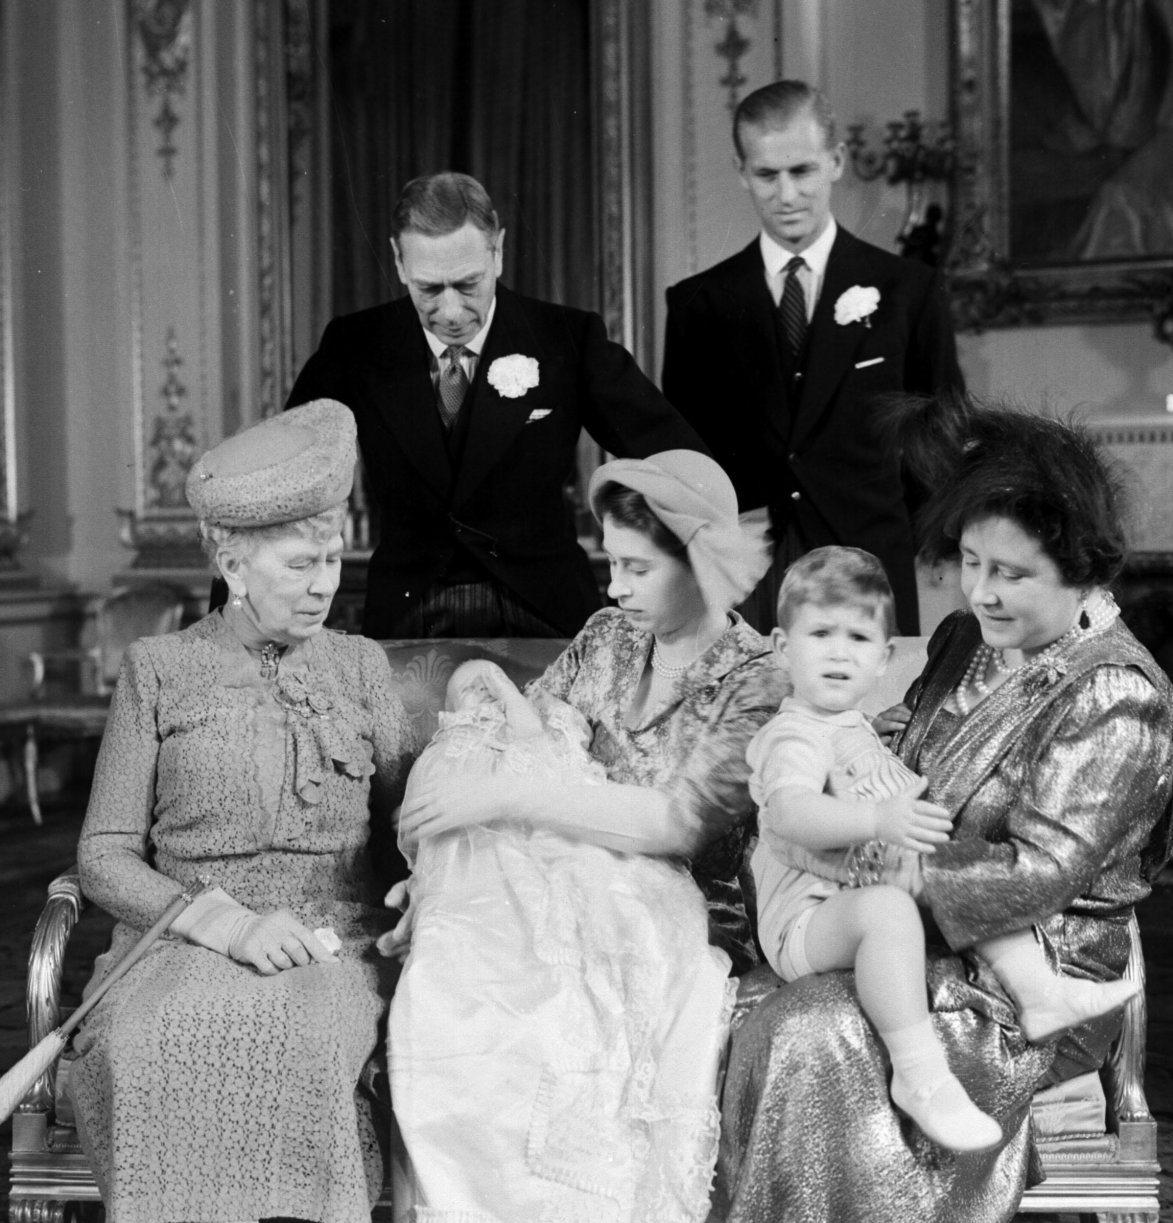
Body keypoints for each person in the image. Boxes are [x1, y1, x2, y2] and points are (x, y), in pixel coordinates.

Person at [714, 394, 1173, 1223]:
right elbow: (905, 746)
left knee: (812, 1034)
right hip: (907, 920)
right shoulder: (968, 638)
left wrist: (901, 861)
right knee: (750, 1004)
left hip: (1040, 967)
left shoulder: (1114, 694)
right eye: (971, 562)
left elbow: (1040, 874)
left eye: (1011, 574)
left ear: (1082, 566)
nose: (981, 591)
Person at [392, 449, 792, 1207]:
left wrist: (499, 797)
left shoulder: (759, 677)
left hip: (682, 916)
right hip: (558, 888)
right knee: (456, 985)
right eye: (611, 563)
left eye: (638, 569)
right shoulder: (608, 635)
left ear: (702, 562)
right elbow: (527, 739)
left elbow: (679, 822)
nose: (616, 587)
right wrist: (442, 880)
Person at [69, 400, 418, 1223]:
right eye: (300, 564)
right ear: (233, 562)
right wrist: (220, 923)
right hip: (176, 936)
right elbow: (105, 853)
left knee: (304, 1045)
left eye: (333, 558)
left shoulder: (362, 668)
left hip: (329, 937)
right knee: (151, 1044)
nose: (325, 583)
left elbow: (413, 834)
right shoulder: (158, 669)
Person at [748, 544, 1141, 1156]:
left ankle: (1039, 993)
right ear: (781, 647)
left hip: (853, 890)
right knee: (893, 909)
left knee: (958, 873)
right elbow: (788, 813)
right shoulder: (794, 733)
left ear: (884, 660)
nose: (837, 651)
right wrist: (880, 816)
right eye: (819, 632)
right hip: (805, 919)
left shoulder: (855, 728)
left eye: (857, 638)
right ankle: (920, 1075)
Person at [286, 170, 708, 639]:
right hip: (407, 618)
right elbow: (280, 478)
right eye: (428, 288)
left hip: (548, 616)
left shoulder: (567, 338)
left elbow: (678, 461)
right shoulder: (354, 345)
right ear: (399, 262)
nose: (450, 312)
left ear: (499, 251)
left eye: (468, 285)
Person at [385, 657, 735, 1221]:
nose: (484, 695)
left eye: (493, 683)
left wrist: (521, 718)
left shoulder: (545, 728)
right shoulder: (442, 751)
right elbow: (423, 830)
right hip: (476, 882)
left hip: (556, 847)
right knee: (448, 988)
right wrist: (422, 889)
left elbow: (563, 779)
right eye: (468, 690)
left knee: (623, 930)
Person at [661, 79, 964, 636]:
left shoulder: (908, 292)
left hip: (870, 566)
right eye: (766, 175)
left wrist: (925, 547)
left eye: (801, 171)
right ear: (740, 170)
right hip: (746, 578)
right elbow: (685, 458)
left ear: (837, 161)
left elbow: (940, 441)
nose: (786, 195)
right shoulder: (698, 306)